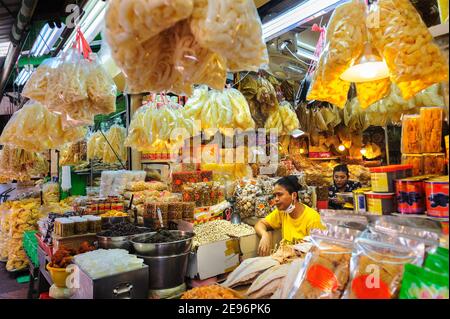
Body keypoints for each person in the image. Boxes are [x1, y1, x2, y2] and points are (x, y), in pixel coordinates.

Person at [255, 175, 325, 256]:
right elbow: (260, 224)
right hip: (285, 260)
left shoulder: (313, 218)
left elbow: (319, 253)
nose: (276, 199)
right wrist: (264, 235)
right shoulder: (282, 212)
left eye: (280, 194)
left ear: (294, 195)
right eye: (275, 196)